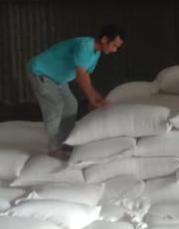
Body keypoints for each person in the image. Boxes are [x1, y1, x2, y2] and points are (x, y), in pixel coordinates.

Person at [27, 24, 124, 159]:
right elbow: (80, 75)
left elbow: (86, 75)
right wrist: (91, 97)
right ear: (104, 39)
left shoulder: (95, 54)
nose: (114, 50)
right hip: (41, 72)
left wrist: (96, 96)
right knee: (56, 105)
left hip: (58, 78)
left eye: (117, 47)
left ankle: (65, 142)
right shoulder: (84, 46)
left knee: (71, 105)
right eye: (114, 45)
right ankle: (54, 149)